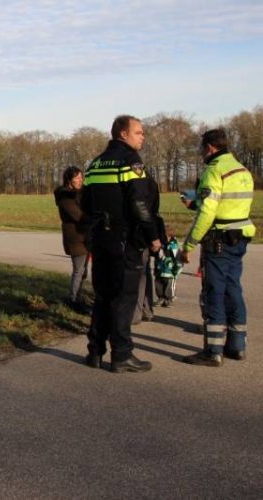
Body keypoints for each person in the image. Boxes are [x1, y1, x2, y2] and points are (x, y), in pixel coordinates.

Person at [81, 115, 161, 373]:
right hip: (125, 239)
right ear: (123, 134)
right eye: (139, 132)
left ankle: (95, 352)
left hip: (100, 239)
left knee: (103, 295)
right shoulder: (130, 161)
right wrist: (153, 236)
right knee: (124, 298)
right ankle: (122, 355)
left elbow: (86, 205)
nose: (143, 136)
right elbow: (140, 204)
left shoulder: (94, 165)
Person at [179, 128, 255, 366]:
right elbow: (228, 206)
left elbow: (208, 212)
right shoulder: (242, 170)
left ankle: (213, 351)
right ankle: (237, 345)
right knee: (233, 289)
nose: (202, 153)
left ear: (210, 147)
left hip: (219, 240)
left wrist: (189, 244)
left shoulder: (214, 171)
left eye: (202, 148)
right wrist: (196, 204)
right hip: (239, 237)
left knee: (214, 292)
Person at [54, 166, 91, 313]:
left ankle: (77, 296)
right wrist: (95, 219)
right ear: (69, 180)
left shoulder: (80, 193)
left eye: (81, 177)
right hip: (75, 237)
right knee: (79, 270)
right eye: (77, 178)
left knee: (83, 271)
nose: (80, 180)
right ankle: (73, 299)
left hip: (85, 236)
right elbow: (78, 216)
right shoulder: (65, 198)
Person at [132, 172, 163, 325]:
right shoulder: (151, 182)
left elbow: (142, 210)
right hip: (149, 230)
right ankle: (147, 309)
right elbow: (154, 209)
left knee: (138, 274)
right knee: (145, 272)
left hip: (138, 232)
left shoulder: (136, 183)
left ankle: (136, 313)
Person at [154, 227, 182, 307]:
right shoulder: (160, 244)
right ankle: (161, 297)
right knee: (158, 284)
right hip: (160, 269)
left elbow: (177, 258)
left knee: (169, 285)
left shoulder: (173, 246)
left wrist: (177, 269)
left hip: (169, 270)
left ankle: (169, 298)